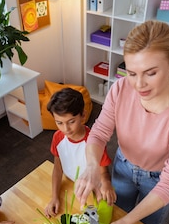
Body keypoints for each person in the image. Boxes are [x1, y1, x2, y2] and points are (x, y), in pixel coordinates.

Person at [75, 20, 169, 224]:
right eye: (132, 72)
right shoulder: (120, 88)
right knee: (115, 218)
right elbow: (98, 133)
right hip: (123, 166)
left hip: (159, 180)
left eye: (151, 73)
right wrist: (91, 166)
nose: (138, 84)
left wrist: (127, 222)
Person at [44, 87, 115, 217]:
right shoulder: (57, 137)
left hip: (92, 189)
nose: (66, 129)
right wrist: (54, 197)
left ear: (83, 115)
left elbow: (103, 172)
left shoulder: (94, 142)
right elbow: (58, 168)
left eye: (71, 122)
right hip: (71, 185)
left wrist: (106, 184)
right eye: (59, 123)